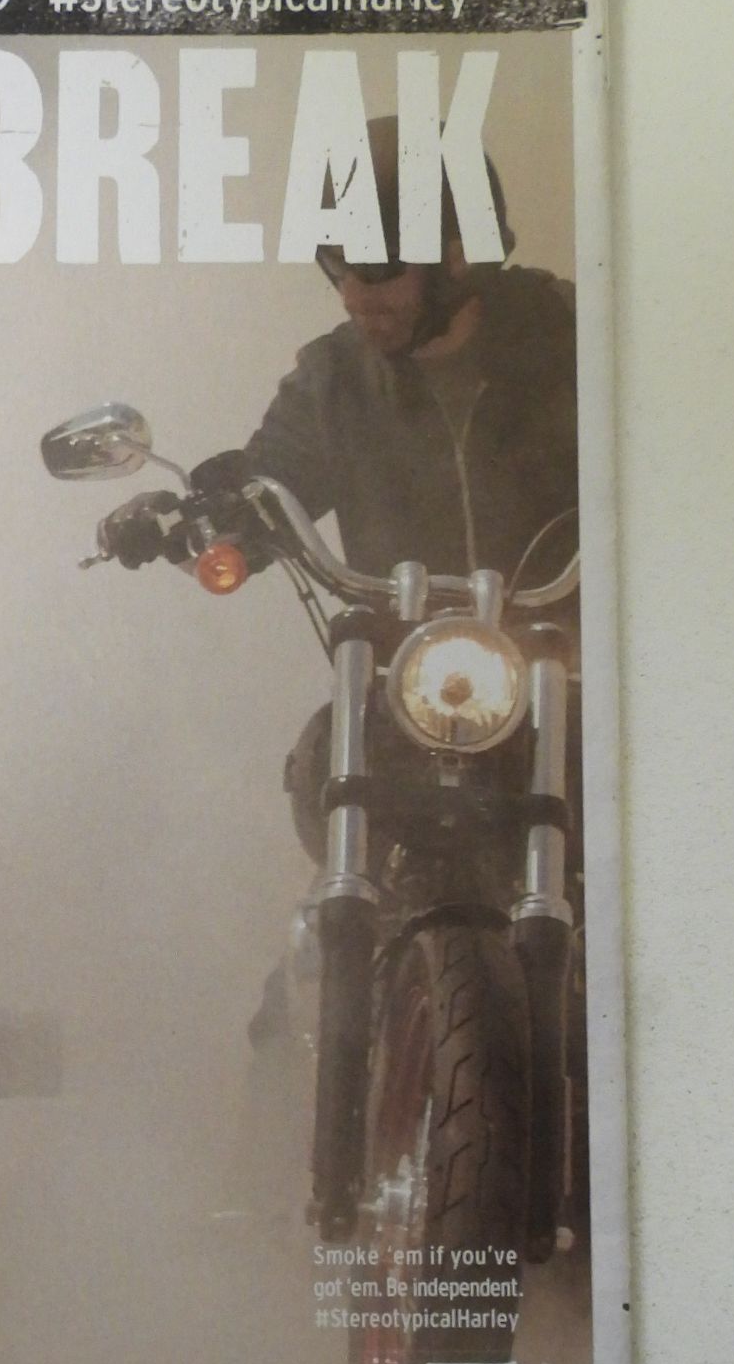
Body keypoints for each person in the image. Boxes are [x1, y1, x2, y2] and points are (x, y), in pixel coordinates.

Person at [99, 114, 578, 868]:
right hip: (406, 691)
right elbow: (275, 474)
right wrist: (202, 517)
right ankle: (344, 925)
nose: (353, 295)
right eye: (336, 267)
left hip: (568, 676)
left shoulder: (573, 339)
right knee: (326, 761)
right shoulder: (334, 379)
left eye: (376, 268)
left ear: (458, 257)